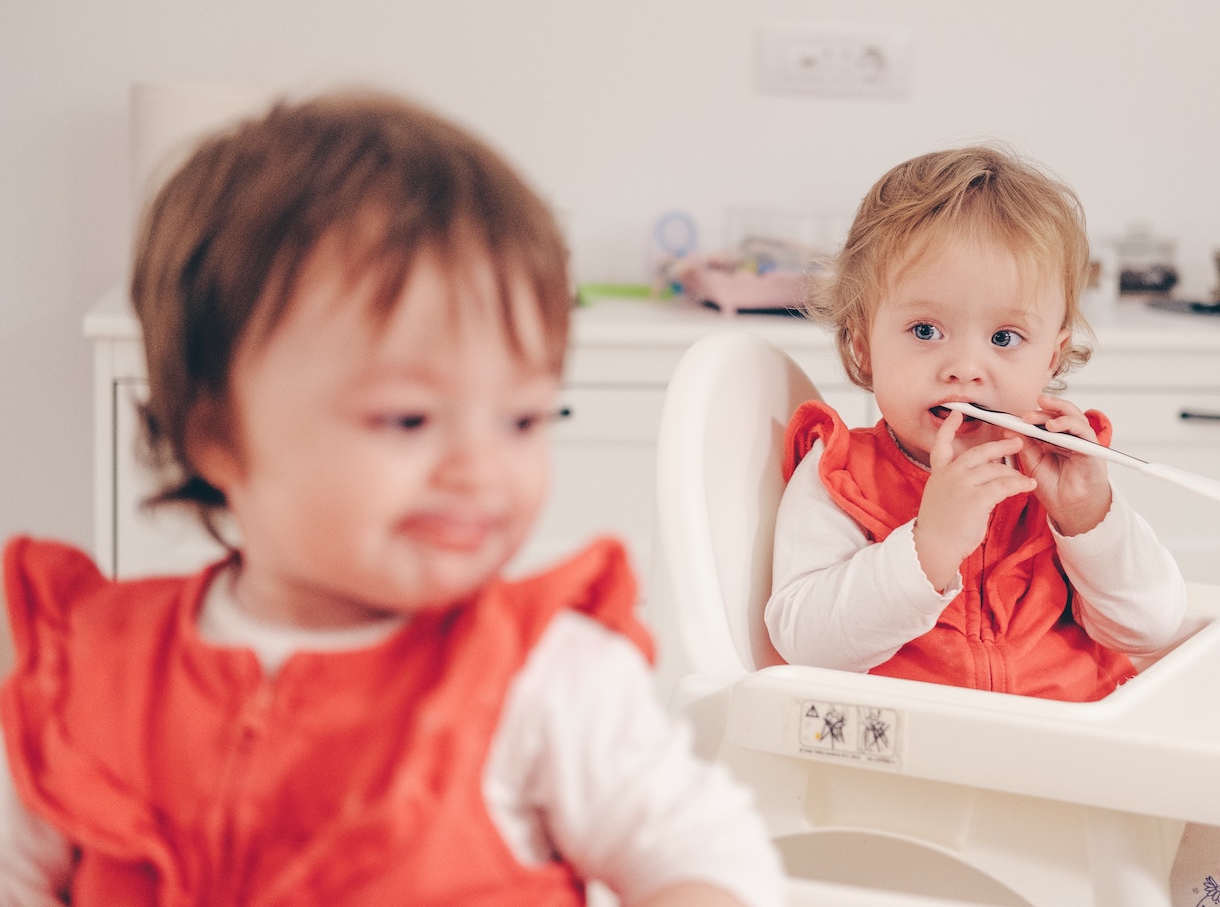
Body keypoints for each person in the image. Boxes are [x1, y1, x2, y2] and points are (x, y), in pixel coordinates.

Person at [0, 93, 783, 906]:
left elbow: (707, 860)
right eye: (408, 418)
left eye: (522, 418)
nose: (480, 469)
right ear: (217, 436)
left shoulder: (544, 680)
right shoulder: (89, 673)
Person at [765, 145, 1220, 906]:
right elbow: (804, 640)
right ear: (860, 342)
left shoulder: (1057, 475)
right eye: (924, 332)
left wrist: (1088, 518)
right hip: (911, 809)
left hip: (1082, 791)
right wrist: (929, 544)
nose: (966, 367)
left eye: (1005, 339)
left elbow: (1149, 625)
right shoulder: (840, 475)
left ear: (1054, 355)